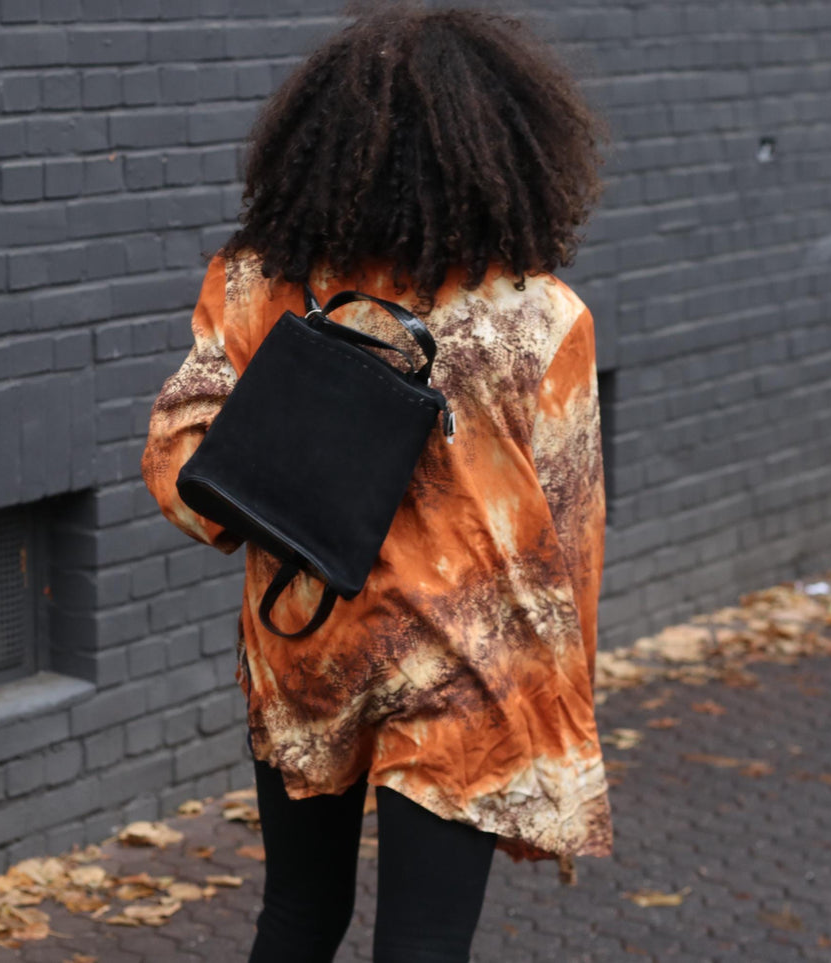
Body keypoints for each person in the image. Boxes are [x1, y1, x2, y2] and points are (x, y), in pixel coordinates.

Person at [141, 7, 611, 961]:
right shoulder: (541, 319)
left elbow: (181, 471)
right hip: (473, 671)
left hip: (306, 639)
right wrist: (558, 720)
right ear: (506, 150)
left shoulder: (255, 284)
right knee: (424, 943)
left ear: (319, 143)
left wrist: (282, 477)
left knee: (299, 915)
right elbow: (571, 540)